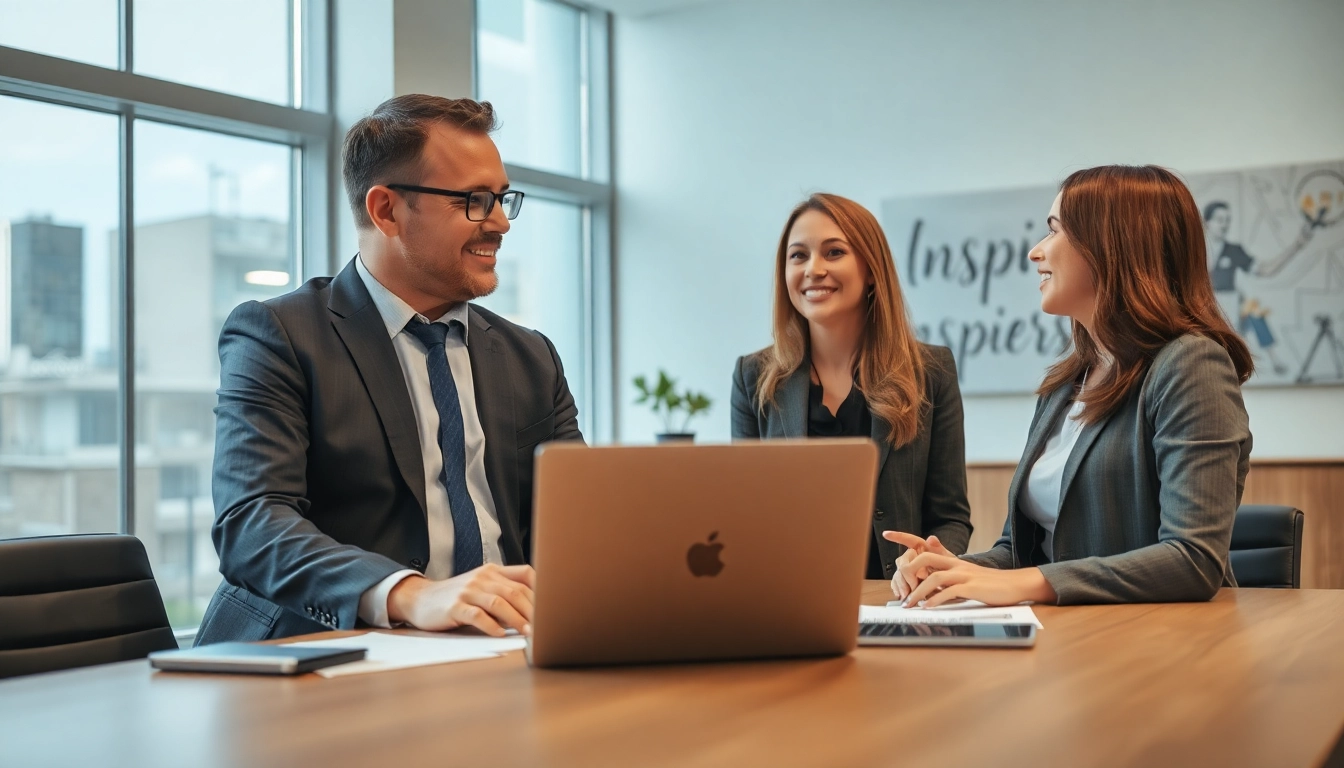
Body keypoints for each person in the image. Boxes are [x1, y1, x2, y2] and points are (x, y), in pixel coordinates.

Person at [196, 95, 582, 644]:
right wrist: (411, 594)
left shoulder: (531, 357)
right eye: (474, 200)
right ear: (386, 211)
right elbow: (252, 524)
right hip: (324, 659)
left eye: (501, 199)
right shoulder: (278, 335)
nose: (499, 223)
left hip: (503, 652)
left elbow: (577, 523)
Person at [887, 165, 1254, 607]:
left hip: (1162, 644)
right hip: (1072, 639)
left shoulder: (1191, 363)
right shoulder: (1064, 384)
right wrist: (957, 570)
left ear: (1112, 245)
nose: (1035, 252)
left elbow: (1192, 560)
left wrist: (1023, 583)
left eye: (1054, 231)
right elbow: (1021, 553)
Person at [731, 193, 973, 581]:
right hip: (791, 600)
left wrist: (926, 559)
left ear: (871, 268)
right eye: (798, 255)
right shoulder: (753, 377)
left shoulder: (931, 370)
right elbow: (744, 514)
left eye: (834, 252)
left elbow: (950, 519)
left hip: (898, 602)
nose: (813, 269)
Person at [1203, 200, 1313, 375]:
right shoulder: (1195, 250)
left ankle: (1274, 358)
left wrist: (1296, 246)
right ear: (1206, 222)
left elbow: (1265, 270)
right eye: (1219, 220)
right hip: (1201, 313)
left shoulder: (1234, 251)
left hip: (1229, 308)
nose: (1224, 225)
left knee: (1254, 311)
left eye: (1227, 220)